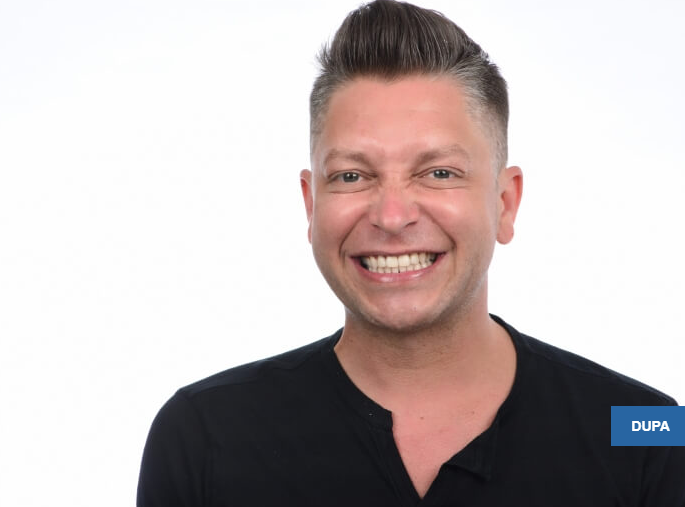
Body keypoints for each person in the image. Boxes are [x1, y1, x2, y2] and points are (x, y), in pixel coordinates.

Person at [137, 1, 685, 505]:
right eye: (351, 176)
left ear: (505, 203)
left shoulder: (649, 430)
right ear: (311, 204)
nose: (392, 216)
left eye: (439, 173)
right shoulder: (204, 434)